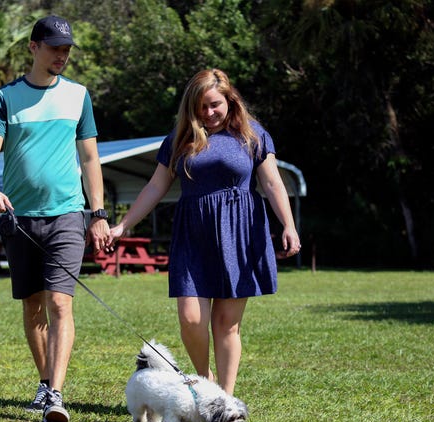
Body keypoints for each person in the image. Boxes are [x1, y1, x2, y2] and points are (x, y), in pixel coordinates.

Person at [108, 68, 301, 395]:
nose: (208, 113)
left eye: (214, 105)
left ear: (230, 99)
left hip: (239, 231)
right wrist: (123, 225)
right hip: (194, 233)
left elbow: (271, 182)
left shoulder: (252, 134)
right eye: (201, 107)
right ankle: (205, 381)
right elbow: (156, 186)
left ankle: (224, 400)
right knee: (191, 318)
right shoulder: (180, 139)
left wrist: (289, 225)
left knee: (227, 324)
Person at [0, 15, 110, 422]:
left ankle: (55, 394)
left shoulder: (78, 96)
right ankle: (44, 379)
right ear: (34, 47)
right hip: (18, 217)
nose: (61, 55)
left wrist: (98, 213)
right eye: (54, 48)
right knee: (33, 305)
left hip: (67, 214)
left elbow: (90, 158)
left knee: (59, 302)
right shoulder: (5, 98)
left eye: (66, 49)